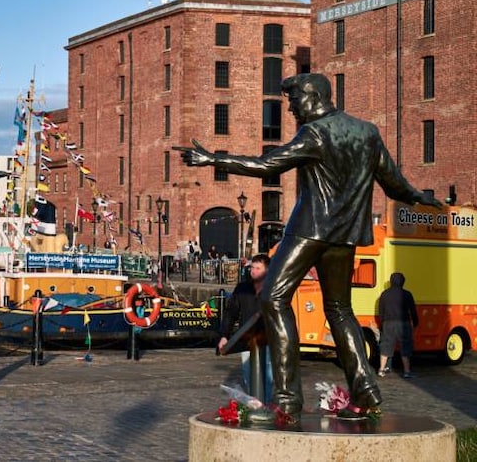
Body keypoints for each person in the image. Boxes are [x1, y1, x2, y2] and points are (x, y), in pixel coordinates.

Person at [176, 73, 441, 421]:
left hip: (309, 231)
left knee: (273, 299)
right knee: (340, 310)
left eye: (294, 100)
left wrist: (213, 160)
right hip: (345, 236)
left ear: (314, 96)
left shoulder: (314, 133)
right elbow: (393, 183)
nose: (291, 109)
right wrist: (419, 197)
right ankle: (365, 392)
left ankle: (286, 403)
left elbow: (266, 165)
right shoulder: (368, 133)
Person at [218, 254, 273, 402]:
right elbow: (231, 312)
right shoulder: (242, 288)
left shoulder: (273, 289)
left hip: (269, 339)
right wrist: (225, 335)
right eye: (252, 267)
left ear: (267, 271)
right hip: (248, 338)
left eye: (258, 268)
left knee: (268, 377)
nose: (253, 271)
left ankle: (267, 408)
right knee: (249, 376)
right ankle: (255, 406)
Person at [378, 272, 419, 378]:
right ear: (403, 282)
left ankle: (381, 370)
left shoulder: (384, 294)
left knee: (386, 346)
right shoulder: (407, 294)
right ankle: (406, 371)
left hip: (388, 323)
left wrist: (381, 324)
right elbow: (412, 310)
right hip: (403, 323)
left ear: (391, 281)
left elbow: (381, 311)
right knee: (405, 347)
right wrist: (415, 322)